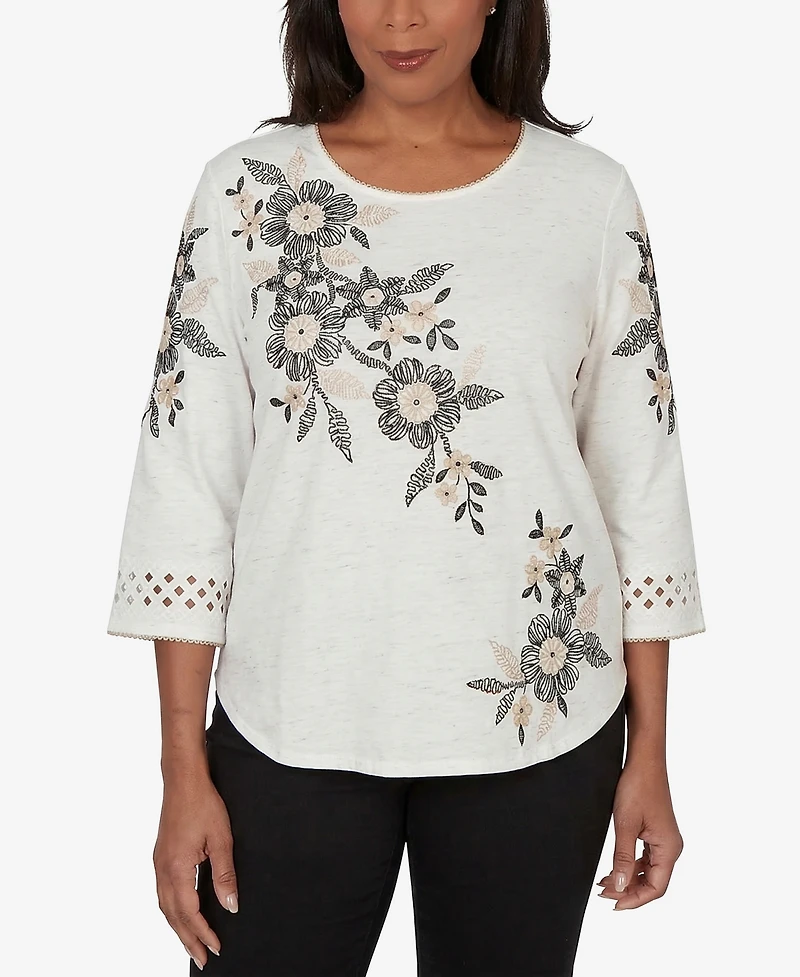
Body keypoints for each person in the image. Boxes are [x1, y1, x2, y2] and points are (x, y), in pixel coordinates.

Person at [106, 1, 706, 974]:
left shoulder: (588, 197)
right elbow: (187, 479)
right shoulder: (247, 193)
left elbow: (638, 481)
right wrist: (181, 767)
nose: (400, 16)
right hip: (289, 717)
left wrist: (651, 750)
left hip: (542, 725)